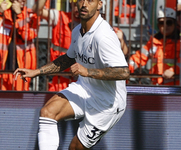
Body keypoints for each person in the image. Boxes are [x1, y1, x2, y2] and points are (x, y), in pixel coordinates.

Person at [14, 0, 129, 149]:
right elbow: (68, 58)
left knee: (74, 147)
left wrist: (87, 71)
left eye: (90, 1)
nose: (84, 4)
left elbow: (123, 72)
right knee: (48, 112)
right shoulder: (77, 31)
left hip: (107, 105)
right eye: (81, 0)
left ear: (99, 4)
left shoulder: (104, 36)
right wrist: (36, 72)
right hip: (85, 89)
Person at [0, 0, 38, 90]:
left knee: (20, 100)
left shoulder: (31, 15)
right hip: (1, 69)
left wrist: (20, 15)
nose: (23, 0)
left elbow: (28, 35)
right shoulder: (3, 14)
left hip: (22, 69)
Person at [33, 0, 80, 92]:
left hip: (82, 82)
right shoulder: (60, 16)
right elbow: (37, 10)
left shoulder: (92, 24)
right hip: (60, 81)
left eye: (79, 5)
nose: (76, 8)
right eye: (74, 5)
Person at [129, 7, 180, 85]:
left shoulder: (179, 42)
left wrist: (173, 70)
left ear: (175, 24)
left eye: (169, 22)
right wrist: (126, 69)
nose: (165, 26)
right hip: (156, 87)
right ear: (158, 25)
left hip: (175, 88)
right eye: (162, 23)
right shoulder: (153, 41)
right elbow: (139, 57)